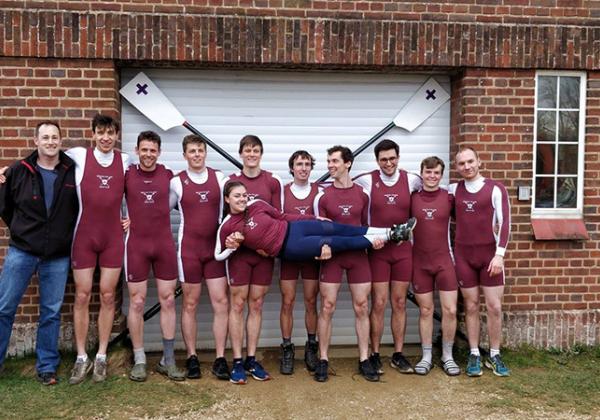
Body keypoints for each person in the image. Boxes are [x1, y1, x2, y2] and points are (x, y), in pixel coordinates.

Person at [313, 145, 402, 383]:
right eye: (328, 161)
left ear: (348, 163)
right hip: (333, 258)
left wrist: (376, 240)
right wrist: (321, 246)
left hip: (358, 257)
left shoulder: (363, 194)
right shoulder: (323, 195)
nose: (330, 165)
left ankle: (364, 359)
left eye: (334, 161)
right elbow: (318, 230)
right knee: (327, 307)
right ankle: (323, 359)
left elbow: (367, 227)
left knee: (362, 306)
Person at [0, 121, 79, 385]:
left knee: (51, 311)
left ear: (60, 140)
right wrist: (22, 229)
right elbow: (5, 207)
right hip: (21, 251)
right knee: (4, 308)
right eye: (45, 137)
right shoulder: (18, 170)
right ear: (36, 141)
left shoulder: (71, 170)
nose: (50, 141)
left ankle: (47, 366)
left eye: (55, 137)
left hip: (57, 254)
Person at [215, 182, 412, 271]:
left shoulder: (257, 204)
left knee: (343, 229)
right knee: (339, 242)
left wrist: (315, 217)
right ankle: (391, 236)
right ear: (227, 199)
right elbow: (218, 255)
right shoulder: (227, 225)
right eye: (237, 196)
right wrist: (231, 247)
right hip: (289, 247)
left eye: (244, 195)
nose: (242, 199)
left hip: (296, 228)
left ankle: (393, 231)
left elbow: (283, 216)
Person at [66, 114, 131, 384]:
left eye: (110, 133)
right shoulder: (79, 155)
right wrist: (8, 171)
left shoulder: (125, 160)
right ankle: (82, 357)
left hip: (112, 237)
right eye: (101, 132)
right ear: (92, 133)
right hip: (84, 236)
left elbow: (142, 190)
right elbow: (42, 156)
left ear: (117, 135)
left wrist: (134, 216)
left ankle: (102, 355)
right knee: (82, 296)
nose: (106, 138)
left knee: (107, 296)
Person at [354, 139, 421, 375]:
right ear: (377, 160)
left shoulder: (412, 179)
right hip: (379, 250)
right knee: (379, 303)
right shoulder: (366, 179)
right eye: (384, 159)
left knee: (400, 302)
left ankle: (398, 354)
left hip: (403, 250)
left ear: (398, 157)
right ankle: (374, 353)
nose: (388, 163)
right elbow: (339, 189)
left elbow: (435, 193)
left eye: (392, 158)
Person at [124, 131, 184, 382]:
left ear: (159, 152)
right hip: (136, 245)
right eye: (144, 149)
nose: (148, 154)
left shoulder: (168, 175)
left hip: (163, 245)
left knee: (168, 301)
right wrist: (121, 218)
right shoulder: (126, 174)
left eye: (153, 150)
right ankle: (139, 360)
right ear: (137, 151)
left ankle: (167, 360)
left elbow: (189, 196)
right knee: (136, 303)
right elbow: (109, 199)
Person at [169, 134, 230, 381]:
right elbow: (158, 212)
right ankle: (192, 357)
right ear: (184, 155)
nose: (196, 155)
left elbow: (236, 205)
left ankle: (219, 358)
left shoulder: (219, 178)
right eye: (192, 151)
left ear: (206, 153)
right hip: (189, 251)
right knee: (190, 304)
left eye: (200, 151)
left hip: (214, 251)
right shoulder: (176, 182)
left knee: (221, 303)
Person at [225, 135, 284, 384]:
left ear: (261, 153)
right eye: (247, 150)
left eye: (256, 150)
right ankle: (237, 361)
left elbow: (279, 219)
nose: (252, 154)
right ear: (240, 154)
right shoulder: (229, 182)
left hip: (263, 256)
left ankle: (251, 358)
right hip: (239, 254)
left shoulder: (272, 181)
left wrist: (270, 248)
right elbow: (225, 220)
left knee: (256, 304)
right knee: (237, 305)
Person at [449, 146, 511, 377]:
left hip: (489, 257)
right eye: (461, 163)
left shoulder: (496, 188)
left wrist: (500, 254)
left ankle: (494, 354)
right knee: (472, 306)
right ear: (457, 167)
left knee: (494, 307)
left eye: (470, 161)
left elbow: (505, 223)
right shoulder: (453, 190)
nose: (466, 167)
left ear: (479, 161)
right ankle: (474, 353)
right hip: (464, 257)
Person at [410, 156, 460, 376]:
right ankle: (427, 356)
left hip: (444, 261)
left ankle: (448, 355)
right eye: (428, 172)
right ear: (421, 173)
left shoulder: (449, 198)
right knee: (426, 310)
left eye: (436, 173)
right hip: (420, 262)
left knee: (450, 309)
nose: (432, 176)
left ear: (441, 175)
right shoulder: (412, 197)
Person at [279, 150, 321, 375]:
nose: (303, 168)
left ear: (311, 167)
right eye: (299, 164)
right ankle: (287, 348)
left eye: (307, 164)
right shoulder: (283, 192)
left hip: (311, 257)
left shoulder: (318, 192)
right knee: (288, 301)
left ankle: (311, 347)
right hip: (289, 255)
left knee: (311, 301)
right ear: (292, 167)